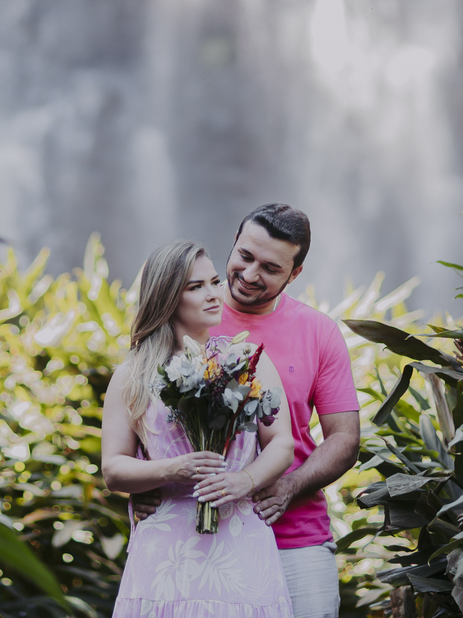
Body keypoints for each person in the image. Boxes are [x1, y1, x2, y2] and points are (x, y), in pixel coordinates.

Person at [132, 206, 360, 618]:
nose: (250, 274)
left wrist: (289, 486)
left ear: (295, 274)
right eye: (245, 256)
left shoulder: (318, 332)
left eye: (271, 268)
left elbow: (344, 437)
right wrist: (142, 481)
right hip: (195, 540)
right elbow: (139, 412)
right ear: (234, 243)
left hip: (294, 537)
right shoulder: (186, 314)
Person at [102, 240, 296, 618]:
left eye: (213, 282)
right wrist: (174, 469)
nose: (213, 294)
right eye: (196, 287)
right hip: (164, 550)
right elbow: (113, 469)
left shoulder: (248, 362)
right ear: (168, 296)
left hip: (239, 537)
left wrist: (246, 479)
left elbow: (282, 444)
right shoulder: (132, 376)